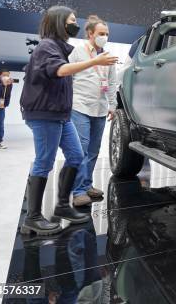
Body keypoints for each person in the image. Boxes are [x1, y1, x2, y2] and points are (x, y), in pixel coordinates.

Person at [20, 6, 118, 236]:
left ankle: (63, 205)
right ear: (59, 22)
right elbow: (61, 71)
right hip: (45, 113)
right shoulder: (47, 47)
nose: (75, 24)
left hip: (61, 114)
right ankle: (32, 218)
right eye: (72, 20)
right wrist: (94, 63)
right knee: (44, 161)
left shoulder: (60, 47)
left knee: (76, 155)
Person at [69, 15, 117, 207]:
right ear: (90, 34)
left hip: (100, 108)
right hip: (79, 106)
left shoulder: (108, 56)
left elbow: (112, 83)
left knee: (93, 150)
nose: (104, 37)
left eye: (107, 34)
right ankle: (78, 191)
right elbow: (67, 75)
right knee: (80, 149)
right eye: (101, 33)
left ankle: (87, 184)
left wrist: (113, 105)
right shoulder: (78, 52)